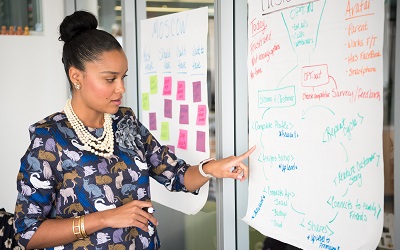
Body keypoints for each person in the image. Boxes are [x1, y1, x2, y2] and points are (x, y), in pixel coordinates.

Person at [13, 10, 255, 250]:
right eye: (110, 79)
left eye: (123, 77)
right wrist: (106, 218)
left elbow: (176, 175)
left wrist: (211, 168)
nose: (121, 88)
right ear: (76, 76)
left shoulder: (125, 122)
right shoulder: (48, 139)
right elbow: (27, 233)